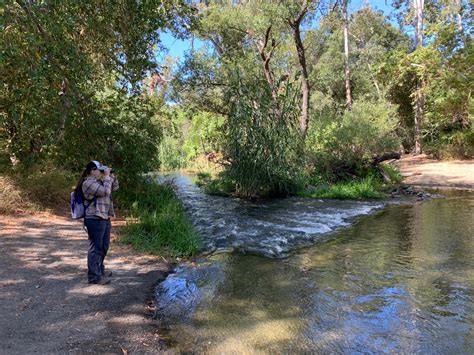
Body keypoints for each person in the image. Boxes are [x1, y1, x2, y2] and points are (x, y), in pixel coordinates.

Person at [74, 160, 119, 285]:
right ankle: (94, 276)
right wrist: (106, 177)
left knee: (104, 246)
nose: (100, 172)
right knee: (95, 248)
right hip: (94, 217)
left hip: (104, 216)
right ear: (91, 171)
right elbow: (105, 191)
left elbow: (114, 187)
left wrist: (111, 176)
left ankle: (99, 269)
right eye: (98, 170)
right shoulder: (87, 183)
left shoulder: (100, 181)